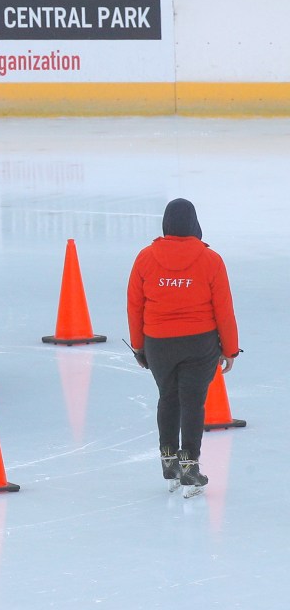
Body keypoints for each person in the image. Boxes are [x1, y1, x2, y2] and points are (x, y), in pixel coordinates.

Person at [127, 198, 239, 497]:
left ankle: (168, 459)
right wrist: (230, 349)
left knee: (168, 397)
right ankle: (190, 463)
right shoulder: (211, 260)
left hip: (158, 343)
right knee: (192, 402)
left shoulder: (145, 258)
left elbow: (135, 306)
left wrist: (139, 347)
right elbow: (224, 309)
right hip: (199, 343)